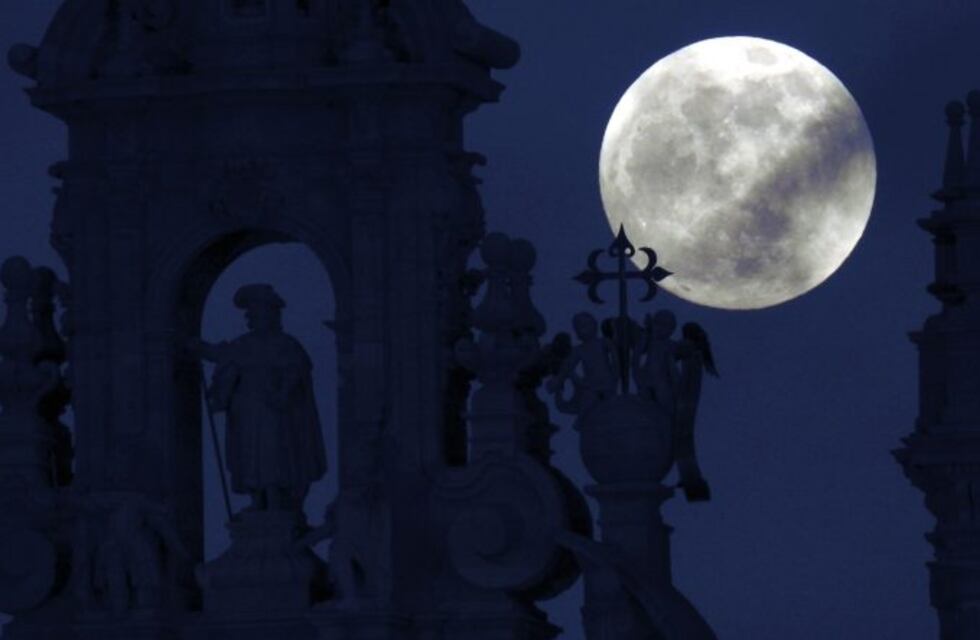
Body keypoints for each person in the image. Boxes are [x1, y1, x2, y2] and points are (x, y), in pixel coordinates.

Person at [188, 283, 327, 512]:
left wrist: (283, 393)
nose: (251, 318)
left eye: (257, 312)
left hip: (274, 410)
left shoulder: (286, 344)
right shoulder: (244, 344)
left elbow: (297, 370)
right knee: (249, 457)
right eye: (251, 314)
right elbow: (219, 355)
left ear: (272, 314)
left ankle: (274, 501)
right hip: (246, 412)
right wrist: (196, 346)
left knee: (273, 456)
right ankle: (258, 501)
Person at [673, 322, 718, 502]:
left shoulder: (689, 349)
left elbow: (670, 353)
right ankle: (692, 484)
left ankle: (692, 484)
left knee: (682, 437)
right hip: (687, 395)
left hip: (685, 396)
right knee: (683, 438)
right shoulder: (696, 352)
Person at [546, 312, 618, 414]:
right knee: (587, 403)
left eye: (586, 324)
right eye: (578, 327)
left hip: (607, 382)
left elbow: (615, 355)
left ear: (594, 324)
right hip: (590, 385)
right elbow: (568, 365)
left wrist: (616, 373)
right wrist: (558, 379)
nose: (582, 329)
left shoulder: (603, 342)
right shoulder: (579, 350)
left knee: (606, 405)